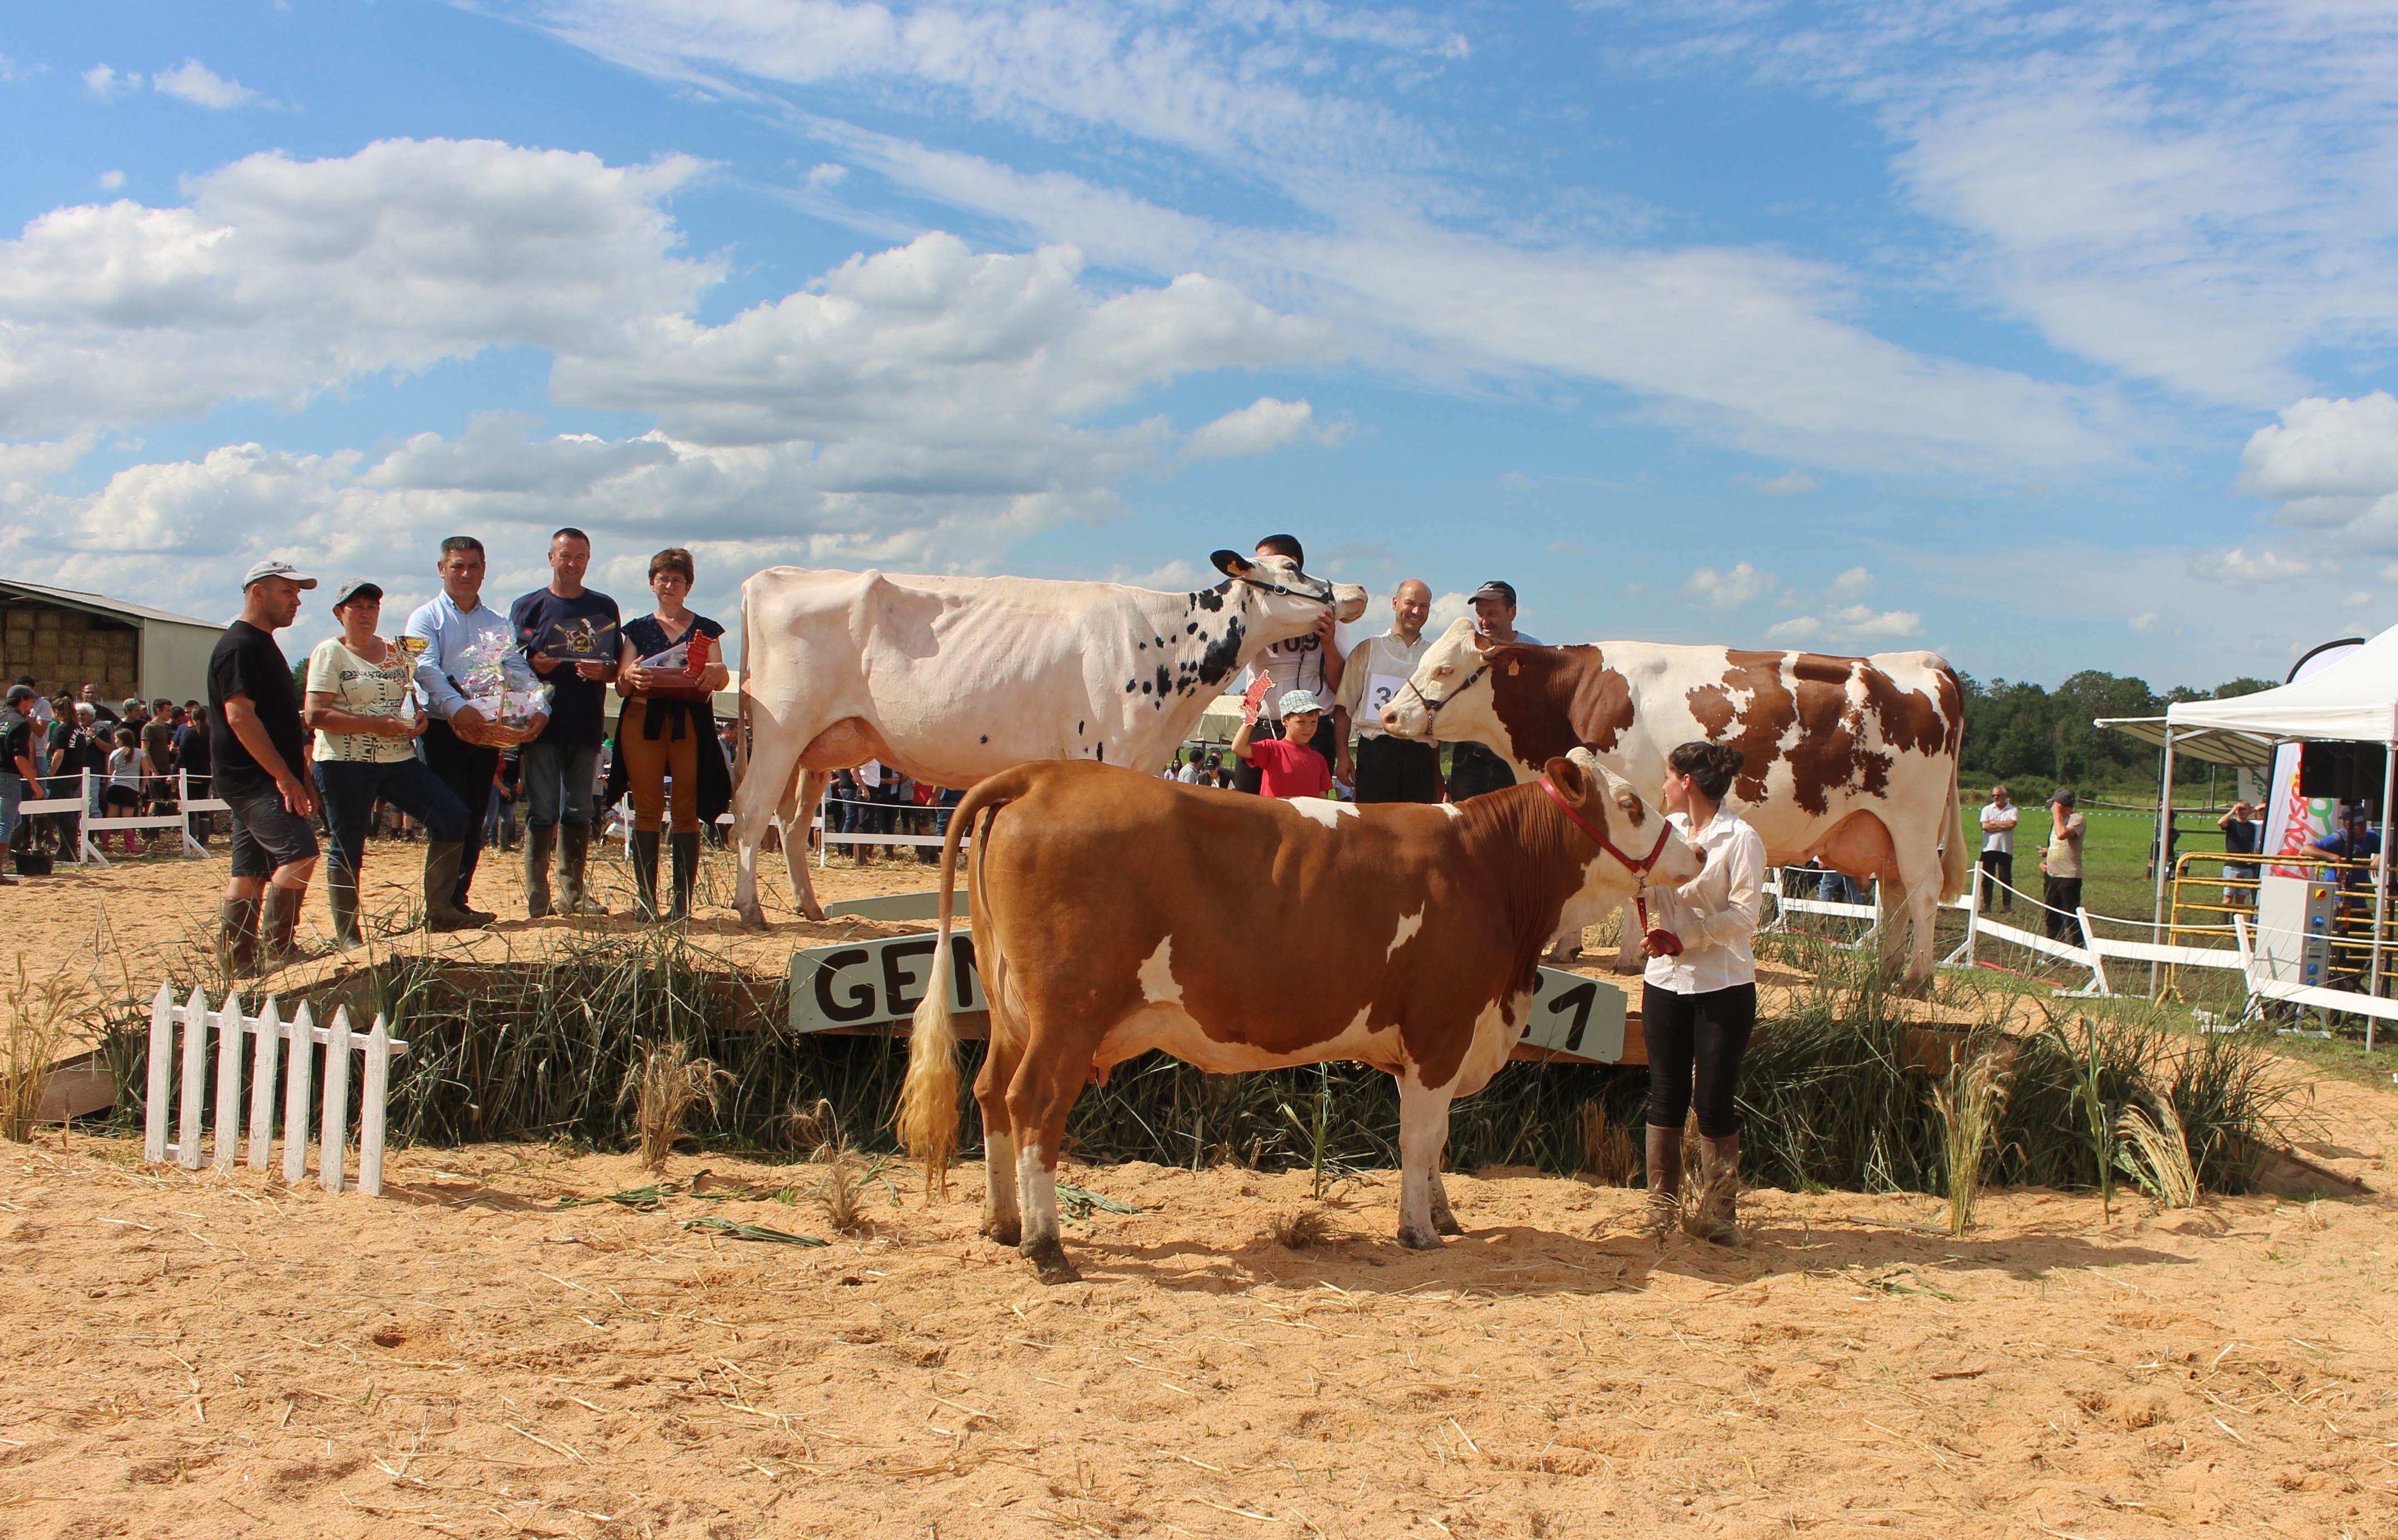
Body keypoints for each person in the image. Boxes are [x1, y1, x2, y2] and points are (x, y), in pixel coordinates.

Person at [1636, 740, 1767, 1247]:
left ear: (1686, 782)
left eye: (1669, 776)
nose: (1664, 785)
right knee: (1665, 1095)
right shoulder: (1662, 835)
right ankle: (1661, 1208)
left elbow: (1744, 915)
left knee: (1713, 1100)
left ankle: (1720, 1214)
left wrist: (1683, 938)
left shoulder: (1742, 838)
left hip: (1723, 985)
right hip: (1664, 982)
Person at [304, 580, 475, 948]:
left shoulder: (398, 651)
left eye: (372, 606)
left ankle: (441, 910)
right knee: (347, 843)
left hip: (397, 756)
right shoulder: (329, 652)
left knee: (453, 815)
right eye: (356, 606)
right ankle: (348, 935)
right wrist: (372, 724)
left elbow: (409, 699)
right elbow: (316, 713)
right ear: (340, 613)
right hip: (344, 761)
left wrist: (419, 721)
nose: (366, 613)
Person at [406, 537, 546, 925]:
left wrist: (540, 706)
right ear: (442, 569)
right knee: (450, 812)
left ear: (484, 569)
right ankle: (439, 904)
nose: (466, 574)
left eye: (473, 566)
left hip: (486, 732)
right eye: (457, 566)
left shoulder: (497, 622)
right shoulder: (425, 618)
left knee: (474, 816)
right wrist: (457, 707)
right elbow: (425, 667)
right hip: (441, 728)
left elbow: (515, 669)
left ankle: (458, 899)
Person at [208, 561, 323, 974]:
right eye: (287, 593)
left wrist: (300, 774)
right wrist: (284, 776)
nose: (296, 602)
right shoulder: (240, 645)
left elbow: (276, 720)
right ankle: (278, 951)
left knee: (251, 872)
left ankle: (236, 964)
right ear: (258, 592)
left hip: (259, 776)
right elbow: (240, 716)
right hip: (253, 777)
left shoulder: (261, 643)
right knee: (301, 853)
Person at [607, 548, 732, 920]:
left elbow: (719, 676)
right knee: (646, 808)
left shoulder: (705, 629)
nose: (669, 585)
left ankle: (682, 903)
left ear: (688, 586)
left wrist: (719, 671)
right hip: (643, 719)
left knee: (685, 810)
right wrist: (629, 676)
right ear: (652, 583)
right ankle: (646, 901)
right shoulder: (638, 628)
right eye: (663, 579)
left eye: (677, 580)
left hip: (689, 720)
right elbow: (621, 683)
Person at [511, 527, 621, 918]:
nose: (572, 563)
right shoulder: (528, 606)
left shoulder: (604, 606)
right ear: (551, 557)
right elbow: (509, 662)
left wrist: (601, 672)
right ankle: (537, 897)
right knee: (542, 812)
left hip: (586, 724)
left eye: (579, 557)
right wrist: (533, 665)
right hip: (541, 726)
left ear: (588, 561)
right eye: (565, 555)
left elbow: (616, 666)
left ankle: (572, 895)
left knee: (578, 811)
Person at [1232, 535, 1346, 792]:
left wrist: (1329, 644)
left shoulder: (1327, 610)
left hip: (1312, 731)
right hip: (1262, 727)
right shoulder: (1251, 609)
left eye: (1263, 562)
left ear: (1290, 565)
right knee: (1248, 816)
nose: (1255, 568)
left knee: (1312, 816)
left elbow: (1341, 685)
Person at [1334, 578, 1443, 805]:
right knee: (1373, 832)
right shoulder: (1369, 649)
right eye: (1410, 603)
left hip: (1419, 754)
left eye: (1423, 606)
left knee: (1417, 831)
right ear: (1395, 603)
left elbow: (1436, 721)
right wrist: (1343, 756)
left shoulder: (1435, 656)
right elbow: (1344, 707)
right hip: (1377, 753)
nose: (1416, 611)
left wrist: (1437, 771)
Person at [1445, 579, 1541, 802]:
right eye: (1480, 614)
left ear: (1512, 612)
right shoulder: (1465, 650)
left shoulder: (1534, 652)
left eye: (1492, 613)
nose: (1484, 621)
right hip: (1469, 758)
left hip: (1513, 759)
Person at [1231, 687, 1334, 800]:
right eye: (1301, 722)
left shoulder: (1319, 760)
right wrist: (1251, 718)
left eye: (1313, 722)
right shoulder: (1272, 749)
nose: (1308, 728)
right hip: (1274, 816)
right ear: (1285, 721)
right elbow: (1238, 748)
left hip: (1306, 817)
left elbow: (1323, 801)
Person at [2039, 788, 2087, 945]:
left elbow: (2062, 834)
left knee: (2071, 917)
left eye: (2054, 804)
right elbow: (2057, 843)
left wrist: (2057, 814)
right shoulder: (2057, 822)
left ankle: (2078, 952)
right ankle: (2053, 950)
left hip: (2069, 876)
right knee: (2052, 917)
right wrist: (2047, 858)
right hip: (2052, 875)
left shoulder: (2077, 819)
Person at [174, 703, 214, 847]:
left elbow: (182, 755)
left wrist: (173, 773)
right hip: (205, 775)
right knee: (203, 807)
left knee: (189, 807)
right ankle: (204, 839)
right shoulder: (211, 732)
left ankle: (191, 838)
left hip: (190, 775)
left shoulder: (189, 733)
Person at [101, 728, 145, 854]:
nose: (115, 741)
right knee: (128, 818)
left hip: (115, 787)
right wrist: (142, 787)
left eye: (116, 739)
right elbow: (146, 772)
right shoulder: (140, 753)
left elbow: (109, 773)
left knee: (111, 817)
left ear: (121, 741)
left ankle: (105, 843)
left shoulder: (114, 753)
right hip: (130, 788)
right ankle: (130, 845)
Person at [1977, 785, 2018, 912]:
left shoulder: (2013, 810)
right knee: (1987, 878)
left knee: (2005, 878)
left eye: (1998, 795)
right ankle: (1987, 906)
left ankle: (2007, 906)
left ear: (2005, 796)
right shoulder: (1987, 809)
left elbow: (2012, 824)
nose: (1996, 798)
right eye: (1994, 795)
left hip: (2005, 849)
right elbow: (1985, 827)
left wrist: (1994, 823)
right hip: (1988, 849)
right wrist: (2003, 826)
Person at [2219, 799, 2263, 907]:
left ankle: (2238, 923)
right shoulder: (2232, 824)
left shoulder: (2252, 826)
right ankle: (2224, 923)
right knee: (2228, 899)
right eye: (2239, 809)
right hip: (2232, 866)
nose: (2241, 811)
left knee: (2241, 901)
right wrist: (2232, 811)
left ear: (2249, 811)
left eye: (2244, 809)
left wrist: (2252, 855)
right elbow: (2221, 823)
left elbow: (2252, 844)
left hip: (2247, 868)